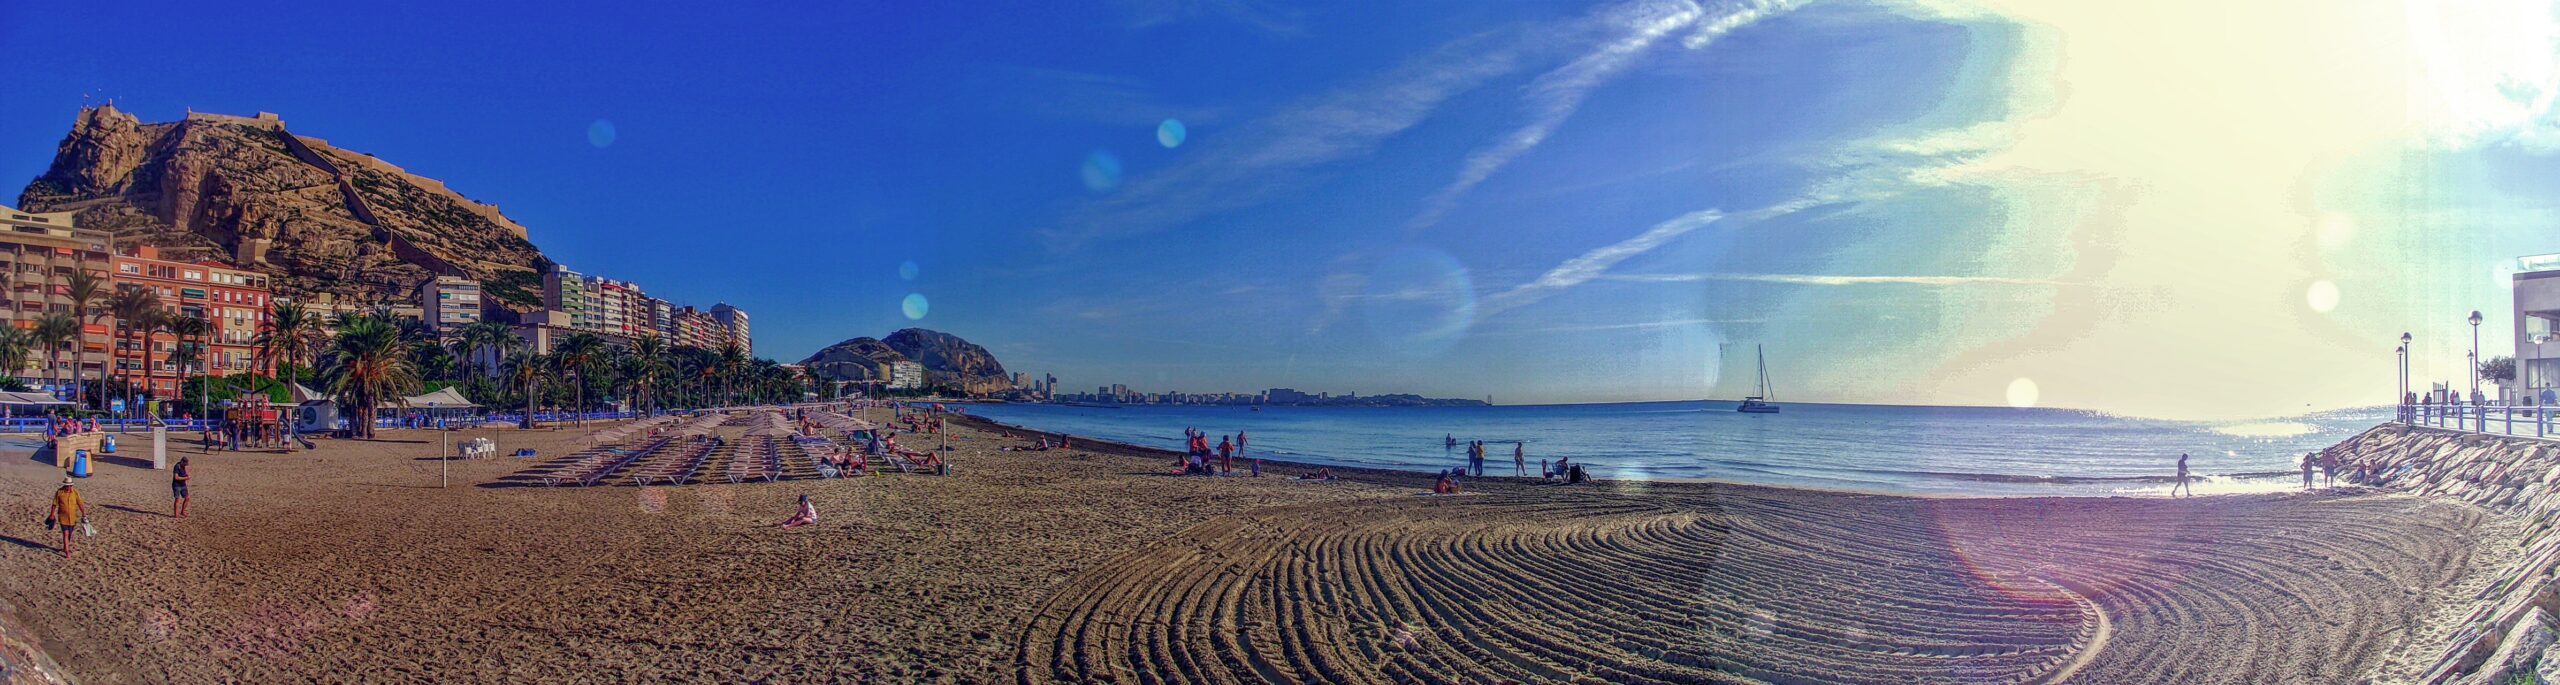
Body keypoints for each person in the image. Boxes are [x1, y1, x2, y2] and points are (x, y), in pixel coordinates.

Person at [47, 478, 85, 558]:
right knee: (66, 533)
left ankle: (65, 547)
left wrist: (84, 514)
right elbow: (54, 504)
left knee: (70, 534)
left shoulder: (75, 493)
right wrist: (52, 514)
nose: (69, 487)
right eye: (67, 486)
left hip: (73, 518)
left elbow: (80, 504)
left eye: (70, 485)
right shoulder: (59, 492)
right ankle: (67, 551)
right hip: (63, 517)